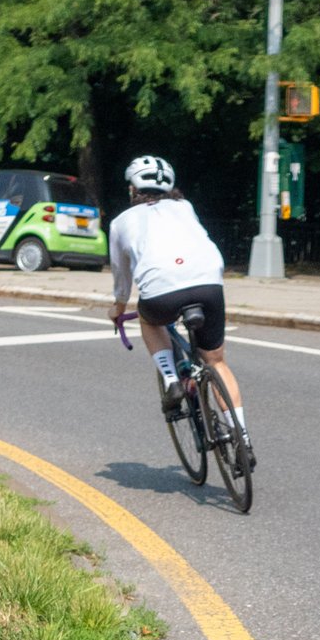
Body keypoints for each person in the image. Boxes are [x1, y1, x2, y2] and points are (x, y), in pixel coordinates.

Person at [108, 154, 251, 457]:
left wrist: (118, 309)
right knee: (215, 361)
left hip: (162, 292)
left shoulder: (120, 222)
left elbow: (122, 279)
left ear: (132, 189)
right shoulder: (186, 207)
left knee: (150, 321)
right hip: (209, 282)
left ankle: (171, 378)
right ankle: (243, 438)